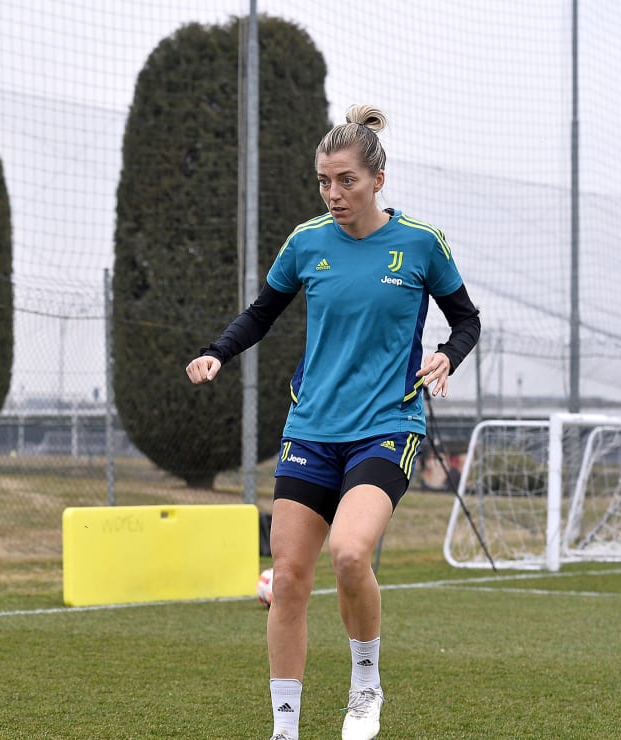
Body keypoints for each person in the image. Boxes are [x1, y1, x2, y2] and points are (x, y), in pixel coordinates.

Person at [185, 104, 480, 740]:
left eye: (346, 180)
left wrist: (446, 357)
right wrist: (217, 352)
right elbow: (261, 313)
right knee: (288, 577)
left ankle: (365, 686)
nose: (334, 194)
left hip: (387, 424)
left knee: (350, 553)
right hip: (311, 427)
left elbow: (466, 319)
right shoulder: (306, 242)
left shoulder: (420, 244)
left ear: (377, 177)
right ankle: (284, 730)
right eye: (324, 181)